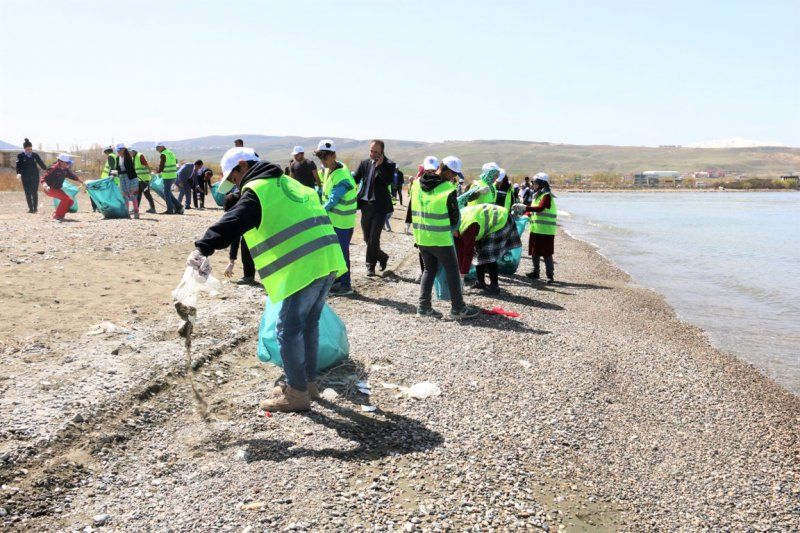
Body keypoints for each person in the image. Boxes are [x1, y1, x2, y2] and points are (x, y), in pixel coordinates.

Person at [189, 147, 347, 412]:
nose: (236, 184)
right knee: (308, 324)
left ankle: (296, 393)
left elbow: (234, 220)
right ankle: (307, 384)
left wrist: (202, 247)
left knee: (288, 329)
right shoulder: (287, 183)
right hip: (327, 260)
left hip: (305, 266)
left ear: (242, 166)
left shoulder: (259, 189)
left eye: (235, 177)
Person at [411, 155, 480, 319]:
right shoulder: (448, 189)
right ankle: (458, 308)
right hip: (440, 238)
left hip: (422, 236)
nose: (454, 178)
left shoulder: (417, 184)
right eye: (453, 174)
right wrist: (455, 228)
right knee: (452, 271)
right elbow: (455, 218)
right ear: (447, 171)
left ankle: (423, 307)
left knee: (429, 270)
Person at [315, 139, 357, 296]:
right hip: (334, 220)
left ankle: (346, 285)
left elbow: (333, 199)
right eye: (320, 157)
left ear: (333, 155)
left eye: (325, 157)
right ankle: (338, 281)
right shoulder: (329, 169)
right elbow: (325, 191)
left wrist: (320, 210)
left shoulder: (342, 175)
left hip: (342, 222)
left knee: (342, 253)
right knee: (336, 252)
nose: (323, 160)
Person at [456, 203, 521, 293]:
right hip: (484, 221)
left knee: (488, 255)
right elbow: (460, 252)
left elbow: (467, 253)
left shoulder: (467, 229)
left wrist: (462, 277)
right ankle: (480, 282)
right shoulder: (455, 227)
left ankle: (494, 286)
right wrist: (460, 271)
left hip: (501, 220)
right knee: (479, 253)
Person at [354, 140, 396, 276]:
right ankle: (382, 257)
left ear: (382, 152)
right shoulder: (364, 163)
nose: (372, 154)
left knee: (374, 238)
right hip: (366, 206)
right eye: (371, 151)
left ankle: (370, 266)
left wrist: (379, 167)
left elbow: (388, 181)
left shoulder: (389, 165)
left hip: (380, 207)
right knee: (367, 238)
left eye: (375, 152)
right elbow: (354, 178)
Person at [516, 172, 557, 283]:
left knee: (546, 253)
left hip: (546, 231)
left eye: (535, 183)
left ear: (542, 184)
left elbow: (540, 209)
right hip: (536, 228)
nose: (533, 185)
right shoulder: (537, 195)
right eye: (533, 183)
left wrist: (525, 207)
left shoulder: (547, 196)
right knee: (534, 251)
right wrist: (523, 215)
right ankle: (536, 272)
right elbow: (533, 210)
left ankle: (550, 276)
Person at [221, 192, 259, 286]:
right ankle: (249, 275)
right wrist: (231, 262)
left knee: (247, 241)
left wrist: (232, 262)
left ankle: (249, 276)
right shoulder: (243, 199)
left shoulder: (246, 208)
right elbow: (236, 235)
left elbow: (236, 236)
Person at [40, 154, 84, 221]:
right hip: (49, 188)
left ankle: (56, 214)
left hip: (57, 189)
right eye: (67, 163)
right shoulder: (53, 168)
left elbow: (72, 176)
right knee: (65, 199)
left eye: (68, 163)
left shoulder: (65, 169)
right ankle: (58, 216)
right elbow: (43, 177)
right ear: (61, 162)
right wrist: (44, 185)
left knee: (70, 201)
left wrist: (82, 182)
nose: (68, 164)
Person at [16, 138, 47, 213]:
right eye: (28, 149)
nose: (30, 150)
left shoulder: (35, 155)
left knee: (34, 192)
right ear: (25, 148)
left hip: (35, 176)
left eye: (31, 149)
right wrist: (18, 173)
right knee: (27, 192)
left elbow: (41, 164)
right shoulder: (20, 156)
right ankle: (30, 209)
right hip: (25, 177)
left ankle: (35, 208)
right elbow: (18, 166)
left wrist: (47, 169)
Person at [114, 144, 140, 219]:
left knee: (133, 195)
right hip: (122, 178)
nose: (118, 151)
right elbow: (117, 169)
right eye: (117, 150)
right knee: (124, 194)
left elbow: (129, 169)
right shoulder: (117, 158)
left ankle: (136, 212)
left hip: (130, 178)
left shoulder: (128, 158)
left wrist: (119, 173)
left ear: (123, 150)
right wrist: (114, 173)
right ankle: (127, 213)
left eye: (119, 150)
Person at [155, 142, 182, 214]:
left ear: (161, 147)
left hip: (168, 176)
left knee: (166, 192)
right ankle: (179, 206)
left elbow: (162, 165)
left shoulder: (163, 154)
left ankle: (170, 210)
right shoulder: (170, 152)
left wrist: (158, 171)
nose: (156, 149)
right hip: (173, 175)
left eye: (157, 148)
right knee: (168, 192)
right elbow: (176, 161)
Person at [130, 148, 156, 214]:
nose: (129, 154)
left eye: (129, 152)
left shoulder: (139, 155)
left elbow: (146, 165)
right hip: (138, 179)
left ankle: (153, 208)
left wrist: (149, 173)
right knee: (138, 194)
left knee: (147, 193)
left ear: (133, 151)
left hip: (144, 179)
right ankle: (136, 208)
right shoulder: (133, 158)